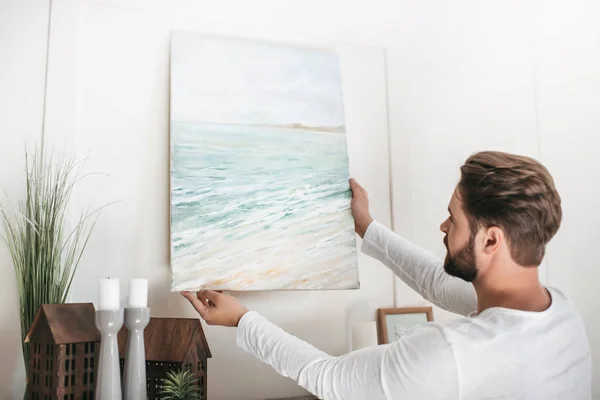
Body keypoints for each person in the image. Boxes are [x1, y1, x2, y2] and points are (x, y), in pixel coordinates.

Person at [181, 150, 592, 399]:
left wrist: (241, 320)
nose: (443, 227)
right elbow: (438, 281)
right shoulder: (560, 313)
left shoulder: (455, 355)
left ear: (491, 241)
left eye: (454, 218)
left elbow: (328, 379)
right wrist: (367, 228)